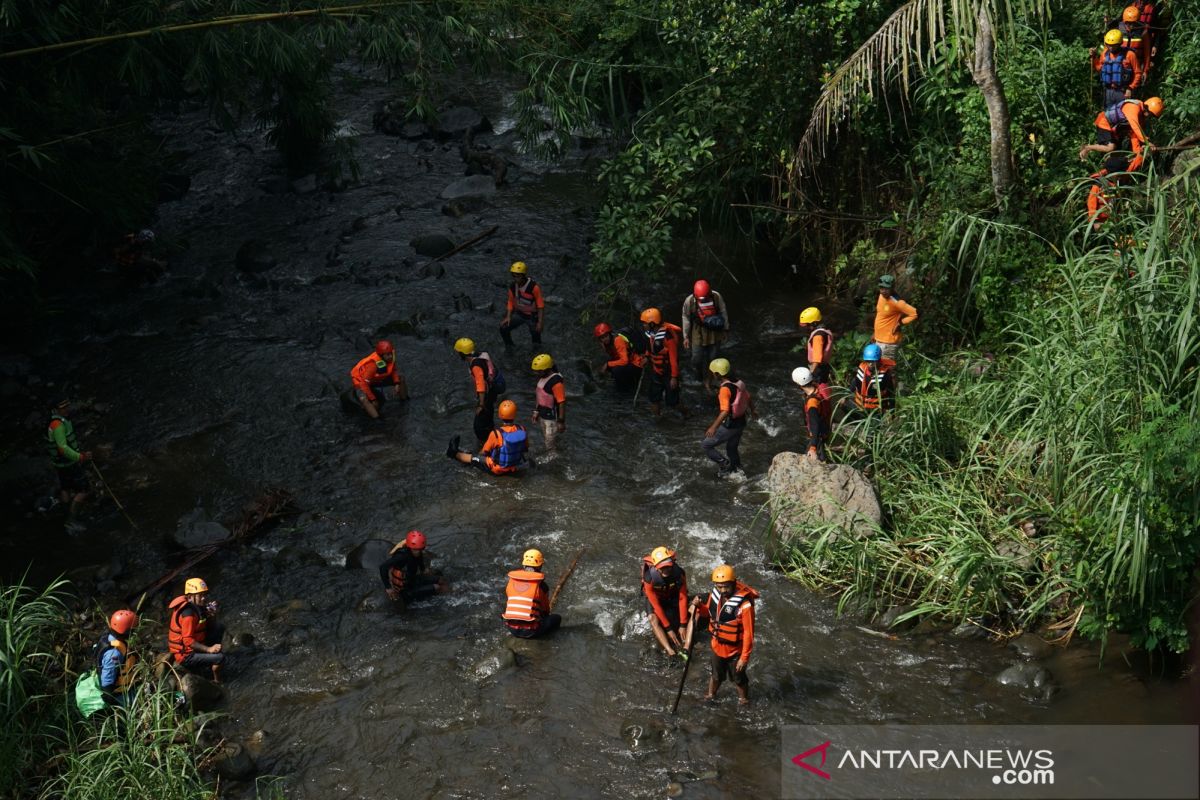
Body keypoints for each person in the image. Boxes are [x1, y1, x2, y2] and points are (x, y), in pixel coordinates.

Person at [688, 564, 758, 706]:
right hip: (717, 646)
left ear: (733, 582)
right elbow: (708, 613)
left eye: (726, 586)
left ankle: (744, 700)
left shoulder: (744, 605)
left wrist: (744, 658)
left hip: (735, 650)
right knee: (715, 676)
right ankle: (710, 695)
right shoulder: (716, 596)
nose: (723, 590)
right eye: (719, 587)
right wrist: (698, 606)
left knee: (738, 678)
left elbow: (749, 634)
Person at [702, 358, 756, 478]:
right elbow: (748, 396)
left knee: (706, 444)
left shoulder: (724, 389)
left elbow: (725, 411)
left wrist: (713, 427)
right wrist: (753, 410)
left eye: (712, 373)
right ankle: (737, 469)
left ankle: (724, 463)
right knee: (731, 447)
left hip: (731, 425)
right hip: (741, 422)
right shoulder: (738, 382)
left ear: (717, 374)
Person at [1080, 97, 1163, 172]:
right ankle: (1087, 147)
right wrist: (1147, 142)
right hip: (1104, 122)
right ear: (1146, 107)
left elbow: (1135, 135)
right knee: (1111, 147)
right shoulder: (1133, 108)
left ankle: (1110, 176)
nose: (1149, 116)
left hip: (1115, 129)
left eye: (1152, 116)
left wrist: (1137, 153)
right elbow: (1136, 128)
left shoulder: (1141, 117)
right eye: (1150, 114)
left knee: (1115, 156)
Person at [167, 577, 226, 683]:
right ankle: (217, 681)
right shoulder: (188, 614)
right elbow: (188, 641)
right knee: (220, 658)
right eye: (200, 595)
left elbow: (209, 627)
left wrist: (212, 616)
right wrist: (209, 649)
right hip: (186, 656)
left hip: (196, 645)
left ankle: (210, 661)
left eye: (204, 595)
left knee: (219, 627)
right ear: (190, 597)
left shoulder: (196, 606)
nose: (204, 598)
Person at [46, 397, 92, 532]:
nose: (66, 409)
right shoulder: (58, 425)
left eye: (67, 406)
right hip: (68, 463)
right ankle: (71, 521)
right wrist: (80, 456)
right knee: (85, 490)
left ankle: (65, 514)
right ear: (56, 410)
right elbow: (62, 448)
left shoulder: (52, 422)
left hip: (59, 464)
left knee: (65, 488)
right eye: (63, 407)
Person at [448, 399, 528, 475]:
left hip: (498, 469)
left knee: (473, 458)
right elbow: (525, 447)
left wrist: (478, 457)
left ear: (500, 414)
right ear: (514, 414)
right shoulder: (522, 429)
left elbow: (484, 452)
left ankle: (453, 453)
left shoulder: (496, 434)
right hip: (515, 466)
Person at [453, 337, 506, 445]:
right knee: (488, 418)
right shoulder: (480, 355)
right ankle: (493, 438)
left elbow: (480, 384)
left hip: (486, 395)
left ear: (463, 353)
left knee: (479, 426)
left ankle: (486, 444)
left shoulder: (476, 365)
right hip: (492, 390)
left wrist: (481, 404)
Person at [641, 547, 692, 659]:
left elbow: (682, 598)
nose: (666, 570)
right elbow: (656, 605)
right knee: (652, 619)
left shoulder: (679, 573)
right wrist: (668, 629)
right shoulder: (649, 578)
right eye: (662, 568)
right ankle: (670, 650)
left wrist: (683, 625)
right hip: (657, 598)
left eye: (668, 566)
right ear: (655, 566)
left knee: (687, 614)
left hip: (672, 594)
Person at [680, 280, 730, 392]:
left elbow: (723, 312)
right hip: (698, 332)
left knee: (713, 359)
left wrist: (725, 330)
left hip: (714, 332)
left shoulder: (716, 297)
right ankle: (699, 377)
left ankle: (709, 381)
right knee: (696, 359)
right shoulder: (689, 301)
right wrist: (686, 336)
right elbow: (686, 318)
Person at [640, 307, 689, 418]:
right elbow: (650, 348)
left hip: (668, 373)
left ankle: (687, 413)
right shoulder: (650, 334)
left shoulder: (668, 337)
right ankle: (657, 420)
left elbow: (673, 359)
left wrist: (674, 377)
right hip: (656, 371)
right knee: (654, 399)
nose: (643, 325)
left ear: (652, 323)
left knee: (673, 402)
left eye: (645, 323)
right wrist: (647, 357)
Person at [502, 549, 561, 638]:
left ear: (524, 564)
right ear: (540, 565)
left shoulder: (511, 581)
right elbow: (545, 611)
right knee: (557, 618)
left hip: (511, 629)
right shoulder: (542, 586)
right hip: (531, 631)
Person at [378, 530, 448, 604]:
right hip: (405, 590)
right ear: (409, 547)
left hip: (412, 580)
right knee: (437, 587)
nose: (417, 552)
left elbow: (421, 567)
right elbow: (383, 567)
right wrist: (388, 588)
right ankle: (450, 599)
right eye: (415, 549)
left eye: (419, 549)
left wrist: (425, 570)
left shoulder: (419, 552)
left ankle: (452, 593)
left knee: (441, 580)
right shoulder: (401, 556)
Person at [349, 340, 408, 419]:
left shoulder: (391, 357)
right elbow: (364, 383)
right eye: (388, 355)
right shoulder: (373, 365)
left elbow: (393, 370)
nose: (390, 356)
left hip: (375, 378)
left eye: (391, 353)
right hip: (361, 380)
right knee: (364, 399)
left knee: (401, 378)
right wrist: (373, 399)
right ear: (381, 356)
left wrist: (396, 383)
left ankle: (405, 401)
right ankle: (377, 419)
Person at [97, 609, 140, 707]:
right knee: (142, 705)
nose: (134, 632)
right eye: (132, 630)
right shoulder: (114, 653)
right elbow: (107, 680)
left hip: (124, 686)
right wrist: (111, 699)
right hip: (119, 693)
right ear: (126, 631)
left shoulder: (109, 637)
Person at [1091, 28, 1142, 108]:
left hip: (1123, 91)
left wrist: (1130, 88)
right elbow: (1099, 69)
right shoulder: (1104, 54)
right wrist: (1094, 57)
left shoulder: (1130, 54)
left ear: (1120, 43)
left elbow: (1138, 73)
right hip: (1108, 91)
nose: (1110, 47)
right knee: (1109, 114)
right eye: (1108, 45)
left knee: (1122, 115)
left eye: (1113, 45)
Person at [873, 275, 918, 362]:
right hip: (878, 339)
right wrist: (875, 333)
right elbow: (881, 315)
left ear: (892, 288)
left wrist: (901, 323)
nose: (883, 291)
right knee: (876, 368)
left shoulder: (898, 302)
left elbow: (915, 313)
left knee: (887, 369)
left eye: (886, 288)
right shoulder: (881, 296)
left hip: (889, 342)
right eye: (881, 288)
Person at [500, 261, 545, 346]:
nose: (515, 278)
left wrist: (540, 322)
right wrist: (508, 317)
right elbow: (510, 301)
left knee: (536, 336)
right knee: (503, 328)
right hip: (520, 314)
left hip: (532, 316)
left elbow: (540, 305)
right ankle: (510, 347)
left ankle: (537, 351)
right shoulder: (513, 286)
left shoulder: (534, 287)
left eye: (518, 276)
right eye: (514, 276)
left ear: (523, 275)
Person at [792, 367, 830, 462]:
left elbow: (815, 425)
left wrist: (813, 447)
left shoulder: (812, 404)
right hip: (825, 427)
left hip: (819, 434)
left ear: (798, 384)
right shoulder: (819, 387)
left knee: (814, 459)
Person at [531, 353, 566, 452]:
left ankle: (553, 457)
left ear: (547, 369)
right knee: (547, 437)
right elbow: (540, 396)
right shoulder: (543, 378)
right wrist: (536, 411)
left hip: (551, 416)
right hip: (543, 413)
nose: (537, 373)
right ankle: (555, 449)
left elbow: (561, 402)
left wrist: (561, 421)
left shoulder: (556, 382)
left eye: (539, 371)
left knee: (549, 441)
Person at [593, 322, 643, 392]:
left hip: (636, 363)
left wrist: (608, 364)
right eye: (602, 338)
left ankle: (623, 391)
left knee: (616, 370)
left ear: (609, 334)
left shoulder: (618, 340)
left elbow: (624, 361)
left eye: (606, 336)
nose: (605, 339)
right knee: (611, 368)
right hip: (628, 362)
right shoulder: (606, 344)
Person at [850, 343, 897, 414]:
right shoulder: (862, 368)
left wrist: (892, 412)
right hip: (860, 407)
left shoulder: (885, 375)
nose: (870, 364)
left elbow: (891, 394)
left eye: (873, 361)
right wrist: (845, 396)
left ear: (879, 360)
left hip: (876, 410)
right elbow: (855, 381)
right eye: (868, 361)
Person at [798, 306, 834, 384]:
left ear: (814, 323)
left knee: (818, 390)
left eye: (806, 325)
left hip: (818, 370)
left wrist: (810, 375)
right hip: (824, 367)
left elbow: (817, 359)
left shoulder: (818, 337)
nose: (805, 328)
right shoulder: (823, 330)